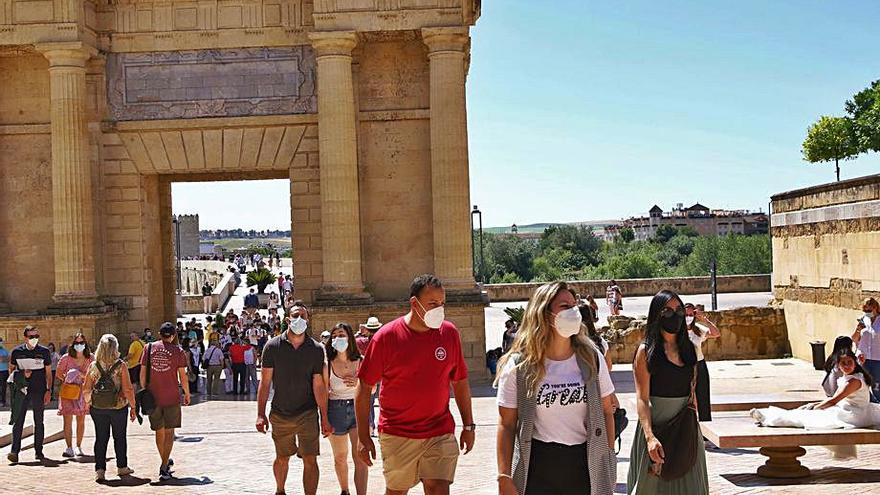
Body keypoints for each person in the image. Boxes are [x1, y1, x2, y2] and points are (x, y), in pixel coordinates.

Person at [355, 274, 475, 495]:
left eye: (442, 304)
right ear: (414, 303)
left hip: (439, 430)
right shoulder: (386, 338)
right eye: (432, 304)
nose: (439, 309)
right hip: (398, 433)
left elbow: (459, 381)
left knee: (438, 487)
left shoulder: (449, 334)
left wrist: (468, 425)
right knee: (397, 491)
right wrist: (363, 437)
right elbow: (363, 389)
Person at [496, 282, 617, 495]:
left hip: (583, 464)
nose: (573, 311)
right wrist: (504, 476)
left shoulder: (591, 359)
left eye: (574, 305)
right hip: (538, 465)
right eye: (564, 306)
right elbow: (506, 424)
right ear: (544, 314)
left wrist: (607, 458)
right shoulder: (518, 366)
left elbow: (608, 411)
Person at [627, 290, 708, 494]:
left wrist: (695, 427)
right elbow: (642, 398)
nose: (676, 315)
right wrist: (649, 437)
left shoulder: (689, 348)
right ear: (656, 314)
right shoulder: (646, 351)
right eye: (668, 311)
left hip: (685, 430)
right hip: (656, 429)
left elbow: (693, 390)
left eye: (679, 310)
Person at [256, 303, 331, 495]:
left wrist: (324, 417)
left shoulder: (315, 349)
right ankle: (280, 490)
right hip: (281, 413)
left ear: (308, 320)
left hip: (307, 412)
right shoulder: (272, 346)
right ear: (287, 319)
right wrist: (260, 414)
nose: (299, 319)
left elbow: (318, 385)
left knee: (310, 458)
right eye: (295, 315)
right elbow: (265, 383)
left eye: (303, 316)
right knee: (282, 457)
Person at [752, 348, 880, 459]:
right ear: (838, 365)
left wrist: (814, 409)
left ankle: (768, 417)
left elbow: (833, 400)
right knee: (806, 413)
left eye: (849, 362)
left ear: (854, 363)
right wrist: (815, 404)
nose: (847, 366)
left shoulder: (854, 381)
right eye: (843, 363)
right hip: (850, 410)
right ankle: (769, 416)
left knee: (809, 417)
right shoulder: (853, 376)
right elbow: (835, 399)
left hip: (854, 415)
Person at [140, 322, 191, 481]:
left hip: (153, 398)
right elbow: (183, 376)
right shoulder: (178, 351)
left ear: (159, 334)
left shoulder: (148, 349)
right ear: (174, 335)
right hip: (172, 397)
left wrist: (146, 390)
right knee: (169, 432)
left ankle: (164, 460)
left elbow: (142, 374)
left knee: (159, 431)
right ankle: (163, 466)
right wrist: (186, 393)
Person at [82, 334, 136, 481]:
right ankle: (122, 467)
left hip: (98, 408)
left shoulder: (93, 366)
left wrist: (89, 402)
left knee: (100, 438)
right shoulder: (121, 365)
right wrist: (133, 407)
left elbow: (86, 388)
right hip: (118, 407)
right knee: (119, 437)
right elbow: (128, 389)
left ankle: (100, 470)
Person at [326, 323, 369, 495]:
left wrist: (360, 383)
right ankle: (345, 490)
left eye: (342, 334)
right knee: (340, 457)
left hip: (358, 408)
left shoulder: (361, 361)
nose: (338, 338)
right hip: (336, 409)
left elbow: (372, 388)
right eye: (335, 335)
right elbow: (322, 389)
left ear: (350, 337)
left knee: (361, 457)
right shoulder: (327, 363)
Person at [7, 325, 52, 463]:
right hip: (22, 390)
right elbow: (11, 371)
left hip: (39, 390)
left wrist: (49, 391)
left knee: (39, 421)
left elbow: (49, 373)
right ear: (25, 337)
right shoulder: (16, 352)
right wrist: (22, 374)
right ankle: (14, 451)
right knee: (18, 420)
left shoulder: (44, 351)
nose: (34, 339)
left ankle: (39, 451)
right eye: (31, 336)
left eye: (36, 336)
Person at [57, 332, 94, 458]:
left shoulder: (91, 358)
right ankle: (69, 447)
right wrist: (68, 378)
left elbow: (94, 374)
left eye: (81, 343)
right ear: (72, 344)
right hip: (69, 392)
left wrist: (81, 375)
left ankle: (78, 446)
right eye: (77, 343)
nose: (79, 345)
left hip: (83, 392)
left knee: (81, 419)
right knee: (67, 420)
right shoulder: (65, 358)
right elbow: (58, 373)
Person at [684, 303, 720, 422]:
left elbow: (716, 333)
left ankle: (705, 424)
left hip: (699, 364)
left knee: (703, 395)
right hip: (684, 366)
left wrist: (705, 320)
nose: (688, 317)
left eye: (690, 314)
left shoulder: (698, 329)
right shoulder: (677, 331)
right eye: (685, 314)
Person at [853, 297, 880, 402]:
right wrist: (858, 329)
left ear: (875, 308)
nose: (867, 313)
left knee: (877, 387)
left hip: (878, 359)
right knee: (862, 385)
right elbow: (855, 339)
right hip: (863, 358)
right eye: (865, 311)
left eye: (869, 311)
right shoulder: (863, 319)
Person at [0, 337, 9, 407]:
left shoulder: (5, 350)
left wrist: (3, 359)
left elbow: (8, 359)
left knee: (3, 387)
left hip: (4, 371)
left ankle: (3, 401)